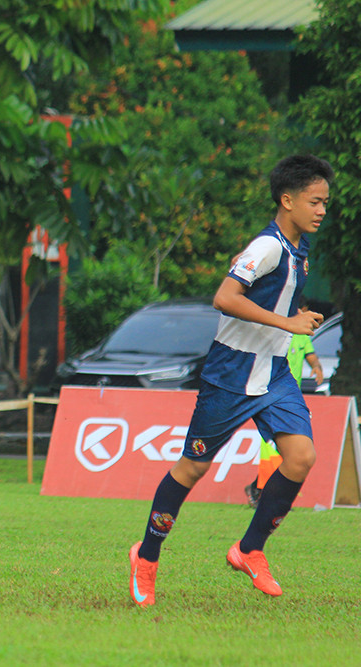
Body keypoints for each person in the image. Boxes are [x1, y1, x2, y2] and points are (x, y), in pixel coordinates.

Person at [129, 154, 333, 606]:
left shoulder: (298, 249)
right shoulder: (267, 247)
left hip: (274, 373)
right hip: (230, 374)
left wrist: (293, 317)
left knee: (301, 458)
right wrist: (287, 324)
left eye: (325, 202)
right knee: (193, 468)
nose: (322, 210)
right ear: (287, 200)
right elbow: (225, 297)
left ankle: (249, 549)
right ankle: (145, 556)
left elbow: (272, 306)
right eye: (315, 201)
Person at [244, 325, 324, 507]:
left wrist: (317, 367)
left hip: (291, 398)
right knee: (273, 450)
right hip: (271, 395)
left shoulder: (302, 335)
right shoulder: (277, 329)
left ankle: (259, 489)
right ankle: (262, 492)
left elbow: (311, 355)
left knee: (290, 451)